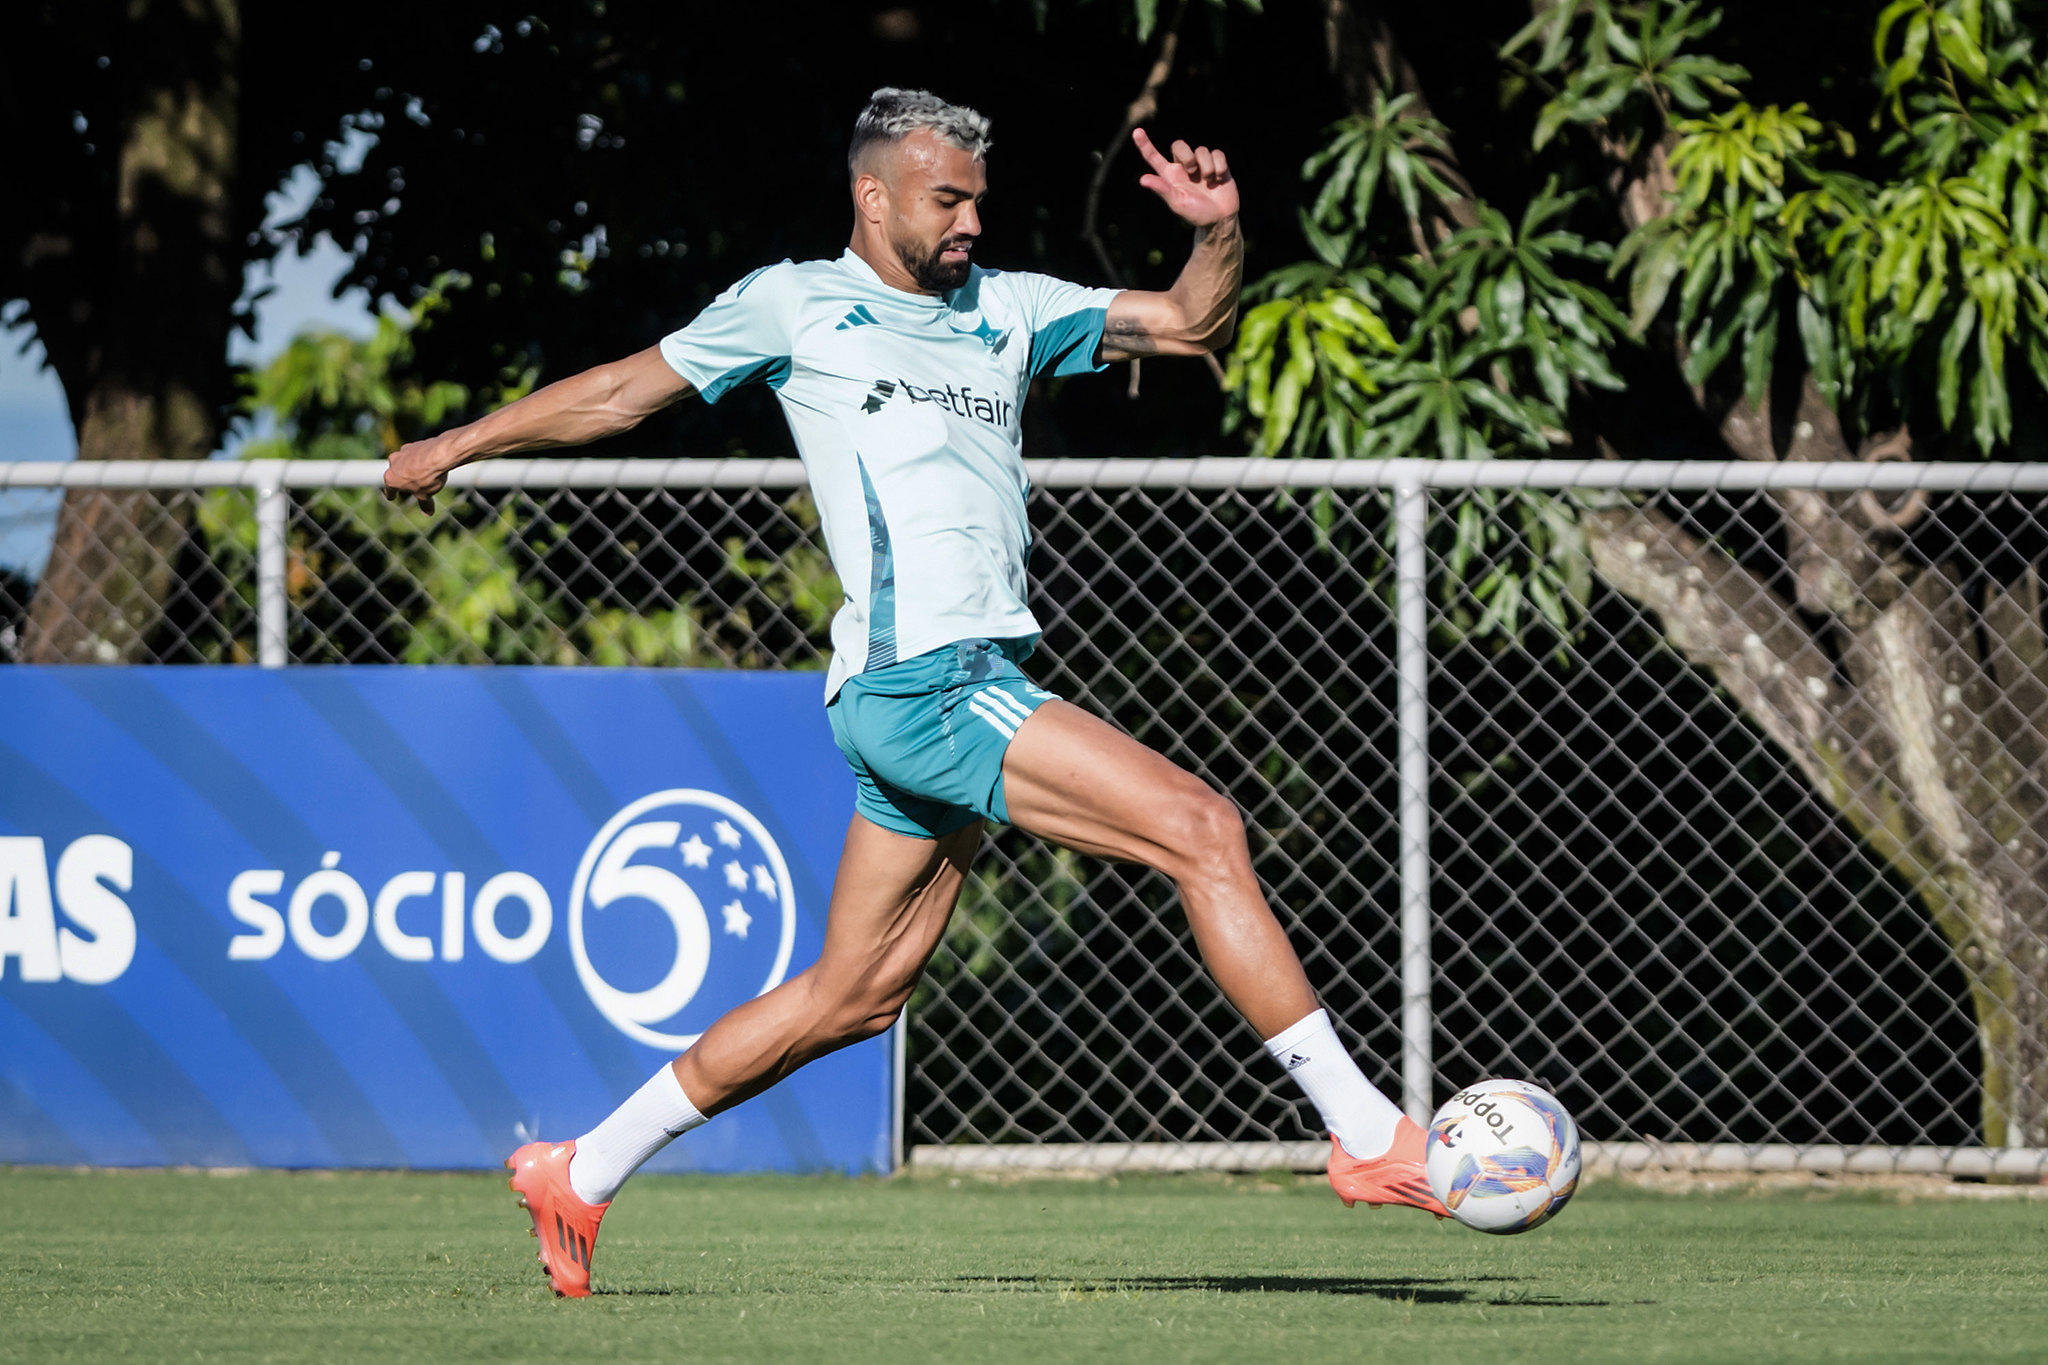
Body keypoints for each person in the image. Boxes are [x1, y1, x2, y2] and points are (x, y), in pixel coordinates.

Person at [383, 87, 1447, 1299]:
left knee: (852, 1000)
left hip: (955, 686)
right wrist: (456, 443)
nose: (967, 224)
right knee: (1201, 828)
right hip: (922, 684)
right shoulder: (794, 302)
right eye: (946, 200)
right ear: (871, 193)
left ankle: (579, 1169)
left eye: (977, 202)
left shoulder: (1011, 309)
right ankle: (1365, 1135)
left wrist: (1215, 230)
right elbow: (623, 393)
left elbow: (1194, 325)